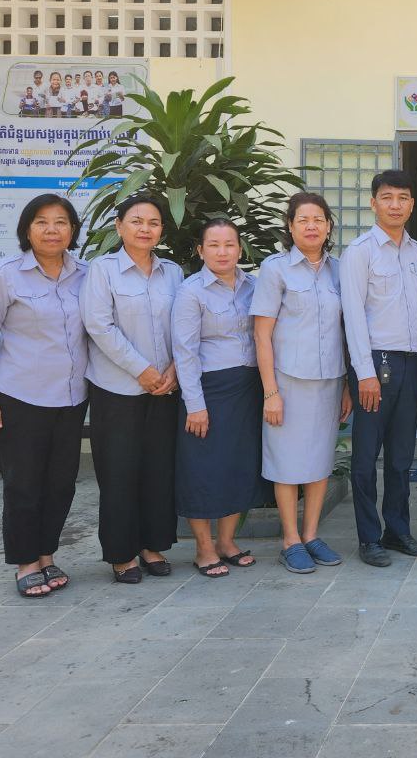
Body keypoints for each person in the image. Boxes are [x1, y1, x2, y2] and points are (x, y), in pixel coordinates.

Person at [0, 195, 88, 598]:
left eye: (61, 222)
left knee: (61, 484)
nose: (52, 230)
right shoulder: (5, 275)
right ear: (27, 229)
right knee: (23, 484)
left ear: (73, 230)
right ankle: (26, 562)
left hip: (72, 398)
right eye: (41, 222)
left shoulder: (85, 275)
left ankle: (47, 553)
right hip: (19, 398)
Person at [80, 192, 183, 583]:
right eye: (136, 221)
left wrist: (174, 369)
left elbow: (185, 325)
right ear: (119, 226)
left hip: (165, 389)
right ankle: (121, 553)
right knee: (119, 472)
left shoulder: (173, 273)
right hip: (116, 390)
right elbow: (99, 325)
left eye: (153, 223)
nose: (145, 229)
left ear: (162, 230)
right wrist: (142, 370)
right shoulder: (102, 270)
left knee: (158, 470)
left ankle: (152, 545)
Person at [252, 193, 351, 574]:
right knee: (287, 461)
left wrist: (347, 385)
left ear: (328, 227)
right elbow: (262, 335)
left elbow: (345, 331)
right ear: (290, 227)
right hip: (288, 382)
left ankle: (311, 535)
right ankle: (290, 540)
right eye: (303, 220)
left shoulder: (339, 270)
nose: (311, 226)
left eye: (318, 219)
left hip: (329, 380)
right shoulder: (275, 269)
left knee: (320, 460)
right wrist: (270, 392)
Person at [340, 170, 417, 567]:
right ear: (373, 203)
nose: (395, 205)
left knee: (401, 457)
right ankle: (368, 537)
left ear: (412, 204)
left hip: (411, 363)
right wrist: (364, 373)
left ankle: (397, 530)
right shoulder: (359, 251)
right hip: (376, 363)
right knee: (365, 459)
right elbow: (353, 315)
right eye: (387, 197)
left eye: (403, 197)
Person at [171, 218, 262, 578]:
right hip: (208, 389)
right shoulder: (191, 291)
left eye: (229, 245)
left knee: (238, 465)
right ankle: (204, 548)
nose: (222, 252)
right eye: (214, 245)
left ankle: (226, 542)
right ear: (200, 250)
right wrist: (195, 404)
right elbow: (185, 352)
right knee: (202, 468)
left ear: (240, 249)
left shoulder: (253, 286)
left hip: (247, 388)